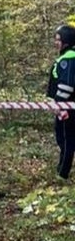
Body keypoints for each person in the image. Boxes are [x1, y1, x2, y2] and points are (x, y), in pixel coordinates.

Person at [47, 24, 75, 180]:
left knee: (66, 140)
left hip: (67, 108)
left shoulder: (69, 59)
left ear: (66, 40)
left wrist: (58, 104)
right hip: (65, 107)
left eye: (58, 39)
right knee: (64, 139)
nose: (56, 42)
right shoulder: (66, 57)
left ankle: (62, 174)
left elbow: (67, 85)